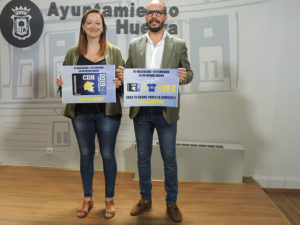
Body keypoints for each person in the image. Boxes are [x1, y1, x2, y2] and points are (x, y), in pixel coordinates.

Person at [116, 0, 193, 222]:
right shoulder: (135, 44)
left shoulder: (178, 44)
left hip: (166, 110)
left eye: (159, 12)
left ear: (166, 17)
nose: (154, 16)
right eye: (150, 13)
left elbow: (189, 73)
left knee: (169, 158)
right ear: (146, 17)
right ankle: (146, 199)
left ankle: (171, 202)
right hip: (141, 110)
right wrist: (123, 74)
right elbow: (130, 72)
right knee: (142, 157)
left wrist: (183, 76)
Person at [56, 9, 124, 219]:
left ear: (103, 28)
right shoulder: (72, 53)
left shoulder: (115, 52)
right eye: (90, 23)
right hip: (82, 113)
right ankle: (87, 198)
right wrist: (61, 84)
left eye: (98, 23)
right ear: (83, 27)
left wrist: (120, 83)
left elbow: (122, 87)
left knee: (107, 154)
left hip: (107, 113)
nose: (94, 26)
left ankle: (109, 199)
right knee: (86, 155)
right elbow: (68, 87)